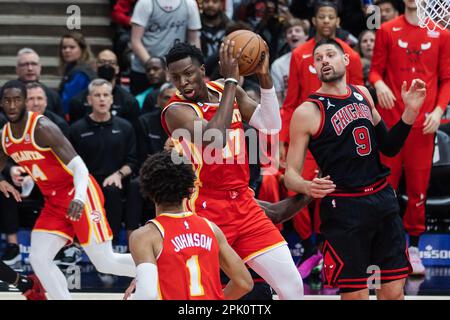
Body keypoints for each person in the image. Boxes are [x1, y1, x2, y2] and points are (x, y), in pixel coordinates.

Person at [284, 38, 427, 300]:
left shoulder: (362, 93)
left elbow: (389, 147)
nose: (324, 60)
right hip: (344, 208)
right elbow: (290, 176)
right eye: (318, 58)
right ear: (314, 68)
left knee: (394, 293)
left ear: (346, 60)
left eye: (330, 55)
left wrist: (410, 112)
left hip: (382, 199)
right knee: (356, 297)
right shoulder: (307, 110)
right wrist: (306, 186)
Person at [161, 42, 304, 299]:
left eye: (189, 73)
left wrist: (263, 75)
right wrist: (229, 81)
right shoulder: (175, 110)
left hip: (244, 204)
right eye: (176, 77)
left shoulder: (228, 90)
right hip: (205, 207)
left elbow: (271, 124)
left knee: (292, 287)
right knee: (194, 291)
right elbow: (215, 137)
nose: (183, 82)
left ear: (202, 70)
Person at [0, 80, 136, 300]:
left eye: (17, 99)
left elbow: (79, 166)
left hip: (80, 193)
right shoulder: (5, 137)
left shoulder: (42, 128)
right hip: (53, 202)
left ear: (25, 102)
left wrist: (80, 198)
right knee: (39, 258)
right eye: (7, 100)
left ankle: (160, 270)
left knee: (104, 262)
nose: (12, 105)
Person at [279, 1, 364, 280]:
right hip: (306, 133)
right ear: (314, 20)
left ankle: (328, 249)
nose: (326, 21)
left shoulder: (349, 54)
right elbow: (291, 102)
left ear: (337, 20)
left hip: (337, 137)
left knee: (332, 192)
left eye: (331, 17)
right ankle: (308, 244)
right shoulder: (299, 54)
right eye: (321, 17)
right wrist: (284, 141)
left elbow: (359, 98)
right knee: (299, 188)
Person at [369, 0, 450, 275]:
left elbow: (447, 78)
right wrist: (379, 84)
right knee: (385, 188)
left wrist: (439, 111)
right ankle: (384, 246)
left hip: (423, 124)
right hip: (390, 121)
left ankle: (414, 248)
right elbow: (375, 70)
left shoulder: (442, 34)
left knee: (418, 188)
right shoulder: (387, 29)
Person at [127, 150, 253, 300]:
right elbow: (244, 283)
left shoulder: (145, 236)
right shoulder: (212, 229)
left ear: (148, 191)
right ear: (191, 189)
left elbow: (146, 295)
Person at [70, 79, 139, 245]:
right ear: (89, 100)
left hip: (115, 181)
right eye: (97, 95)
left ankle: (112, 244)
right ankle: (77, 245)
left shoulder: (125, 127)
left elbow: (132, 162)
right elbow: (70, 163)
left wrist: (118, 174)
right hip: (86, 182)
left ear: (112, 99)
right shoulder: (76, 129)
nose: (102, 99)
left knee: (112, 190)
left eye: (106, 95)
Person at [130, 0, 202, 95]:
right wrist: (155, 68)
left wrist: (196, 65)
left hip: (176, 71)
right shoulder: (145, 3)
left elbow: (194, 41)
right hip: (144, 71)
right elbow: (135, 41)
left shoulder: (189, 4)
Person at [68, 50, 140, 128]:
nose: (106, 65)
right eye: (102, 62)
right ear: (95, 67)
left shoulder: (129, 102)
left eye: (111, 63)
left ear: (117, 69)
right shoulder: (78, 101)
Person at [14, 48, 63, 117]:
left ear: (40, 68)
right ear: (17, 69)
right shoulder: (5, 94)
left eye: (34, 64)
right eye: (25, 64)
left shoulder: (52, 96)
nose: (30, 68)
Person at [58, 32, 96, 121]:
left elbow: (67, 102)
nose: (67, 50)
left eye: (72, 47)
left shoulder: (80, 73)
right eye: (64, 47)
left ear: (82, 49)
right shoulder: (72, 69)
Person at [271, 18, 309, 106]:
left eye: (297, 30)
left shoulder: (318, 57)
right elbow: (278, 97)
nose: (293, 34)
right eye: (289, 32)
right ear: (286, 38)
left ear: (306, 35)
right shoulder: (278, 65)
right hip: (291, 110)